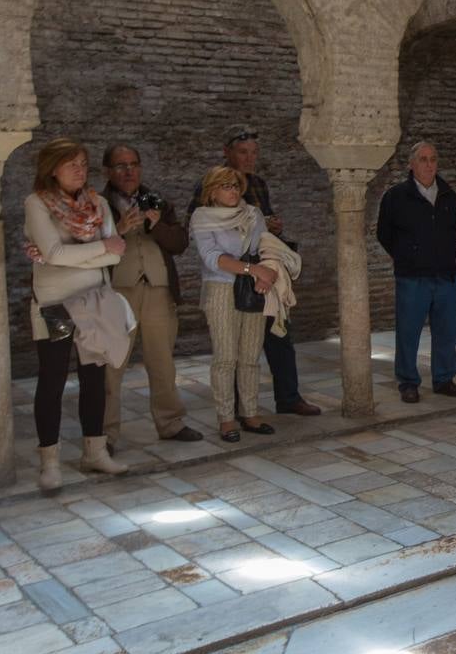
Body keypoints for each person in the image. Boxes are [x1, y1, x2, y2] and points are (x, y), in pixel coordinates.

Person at [24, 138, 132, 489]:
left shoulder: (97, 202)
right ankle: (49, 464)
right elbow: (54, 254)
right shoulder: (37, 203)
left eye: (84, 163)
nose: (80, 170)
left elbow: (118, 255)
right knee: (52, 379)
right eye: (71, 163)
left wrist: (90, 253)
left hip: (94, 299)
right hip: (54, 303)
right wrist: (100, 248)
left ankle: (95, 452)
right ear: (52, 168)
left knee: (93, 379)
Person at [190, 125, 321, 417]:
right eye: (242, 152)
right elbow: (206, 237)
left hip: (261, 278)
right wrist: (250, 268)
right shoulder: (208, 187)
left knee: (277, 337)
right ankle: (232, 412)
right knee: (230, 352)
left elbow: (262, 231)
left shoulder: (258, 184)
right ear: (227, 152)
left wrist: (271, 234)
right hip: (228, 281)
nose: (249, 159)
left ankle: (286, 398)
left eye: (253, 153)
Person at [101, 144, 202, 449]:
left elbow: (180, 242)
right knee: (111, 366)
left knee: (162, 362)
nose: (128, 171)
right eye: (120, 166)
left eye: (133, 164)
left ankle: (170, 423)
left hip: (158, 290)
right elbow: (88, 245)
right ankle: (105, 434)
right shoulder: (98, 203)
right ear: (107, 171)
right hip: (117, 292)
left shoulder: (156, 200)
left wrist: (156, 223)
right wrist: (118, 228)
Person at [190, 167, 277, 442]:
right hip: (220, 289)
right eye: (226, 186)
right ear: (212, 190)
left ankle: (250, 412)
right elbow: (212, 257)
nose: (233, 191)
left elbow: (266, 247)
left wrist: (266, 273)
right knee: (226, 357)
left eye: (236, 186)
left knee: (250, 356)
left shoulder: (253, 213)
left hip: (253, 289)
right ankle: (226, 418)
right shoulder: (202, 216)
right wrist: (254, 270)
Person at [376, 141, 456, 403]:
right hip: (412, 278)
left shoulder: (448, 195)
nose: (429, 165)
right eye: (423, 159)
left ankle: (444, 378)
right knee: (408, 331)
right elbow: (385, 234)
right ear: (412, 164)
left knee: (447, 331)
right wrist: (407, 257)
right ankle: (408, 381)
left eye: (433, 159)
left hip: (446, 276)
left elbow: (452, 228)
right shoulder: (396, 197)